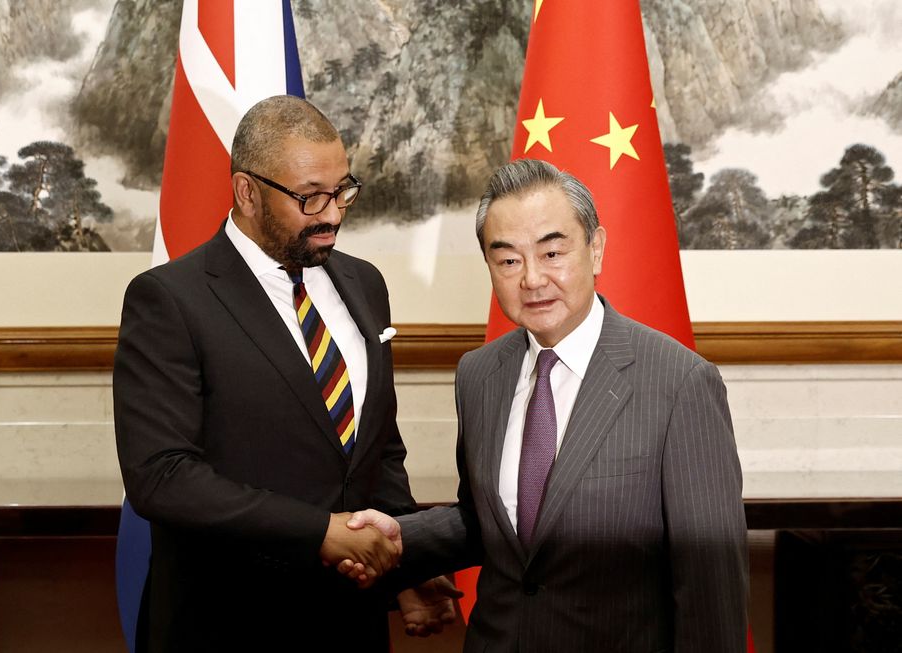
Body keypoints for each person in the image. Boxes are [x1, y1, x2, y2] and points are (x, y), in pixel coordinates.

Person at [345, 159, 749, 651]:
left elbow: (711, 588)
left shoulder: (680, 382)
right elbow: (487, 520)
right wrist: (400, 538)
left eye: (552, 252)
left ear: (595, 249)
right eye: (509, 260)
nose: (532, 279)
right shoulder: (479, 374)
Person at [114, 95, 421, 651]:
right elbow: (161, 477)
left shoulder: (364, 284)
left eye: (342, 190)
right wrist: (317, 532)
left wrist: (408, 567)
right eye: (310, 198)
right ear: (247, 192)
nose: (332, 214)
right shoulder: (169, 300)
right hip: (226, 624)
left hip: (351, 623)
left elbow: (379, 446)